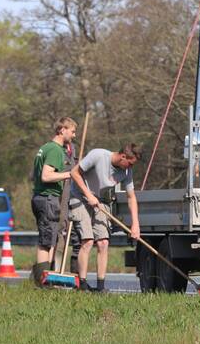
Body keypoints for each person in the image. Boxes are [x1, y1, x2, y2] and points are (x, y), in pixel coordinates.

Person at [68, 144, 142, 292]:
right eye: (130, 163)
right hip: (80, 197)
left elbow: (131, 197)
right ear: (123, 157)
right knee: (88, 241)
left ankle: (100, 287)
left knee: (103, 243)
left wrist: (135, 225)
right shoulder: (98, 155)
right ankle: (82, 285)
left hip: (100, 202)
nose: (131, 167)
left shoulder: (127, 172)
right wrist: (88, 195)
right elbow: (74, 173)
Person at [30, 117, 77, 285]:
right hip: (48, 198)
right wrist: (69, 174)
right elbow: (46, 175)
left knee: (50, 239)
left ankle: (45, 278)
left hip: (41, 198)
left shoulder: (45, 147)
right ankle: (41, 282)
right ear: (62, 130)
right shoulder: (56, 150)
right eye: (72, 131)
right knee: (46, 241)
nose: (74, 135)